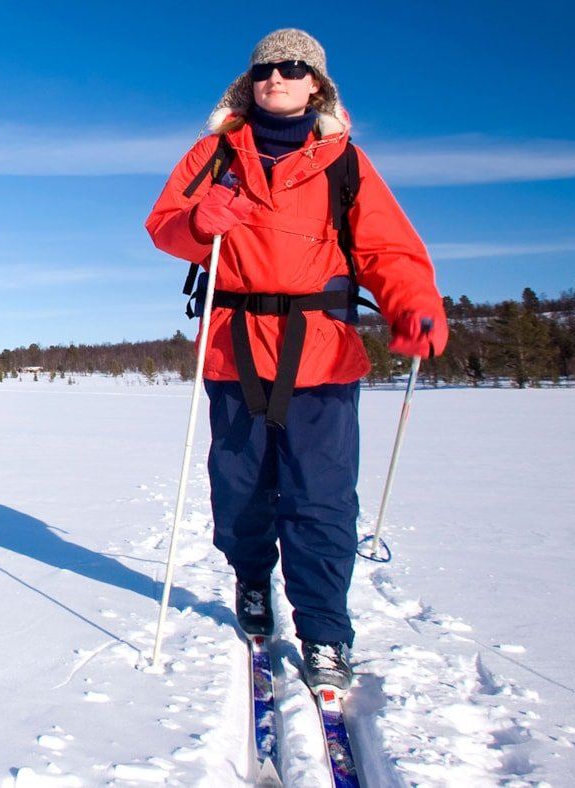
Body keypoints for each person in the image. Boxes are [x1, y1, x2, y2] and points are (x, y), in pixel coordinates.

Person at [144, 28, 447, 690]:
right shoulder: (216, 153)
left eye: (292, 67)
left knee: (322, 499)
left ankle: (325, 632)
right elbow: (164, 223)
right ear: (249, 83)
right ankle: (252, 580)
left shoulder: (347, 164)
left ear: (317, 85)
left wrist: (413, 305)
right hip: (235, 350)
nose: (275, 76)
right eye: (264, 68)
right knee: (240, 489)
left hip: (323, 355)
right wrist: (201, 222)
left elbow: (387, 252)